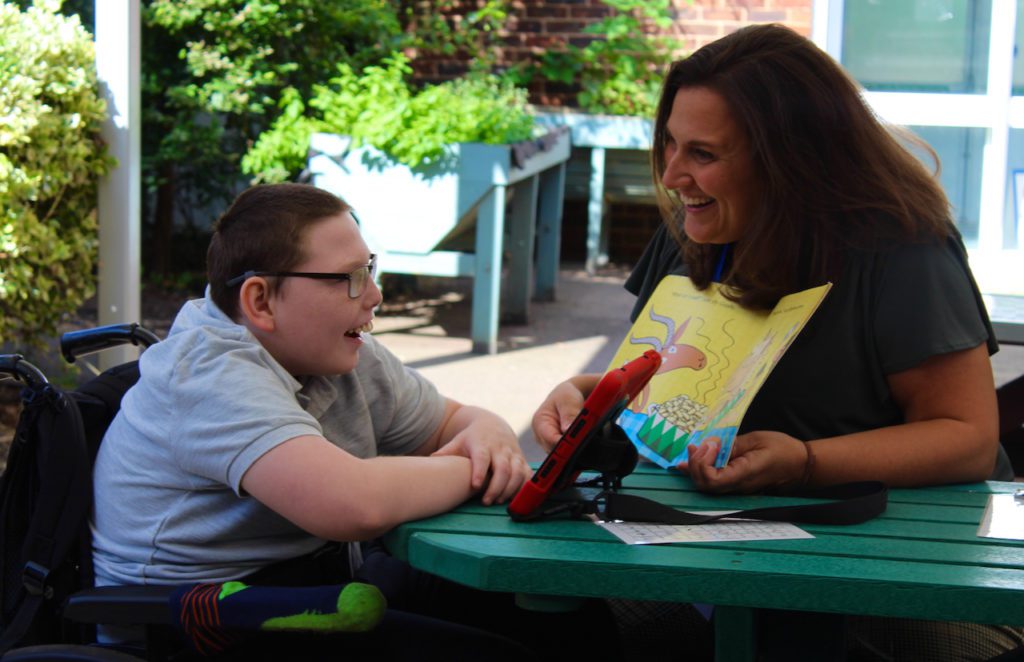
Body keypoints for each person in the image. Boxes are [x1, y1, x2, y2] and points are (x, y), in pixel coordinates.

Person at [532, 23, 1021, 662]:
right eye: (670, 145)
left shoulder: (902, 249)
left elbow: (967, 438)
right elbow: (671, 385)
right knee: (553, 616)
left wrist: (805, 461)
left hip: (905, 562)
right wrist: (586, 397)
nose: (674, 175)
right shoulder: (694, 228)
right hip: (721, 548)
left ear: (794, 159)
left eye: (703, 154)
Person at [90, 183, 610, 660]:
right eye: (351, 279)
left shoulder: (336, 349)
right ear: (261, 301)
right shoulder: (208, 373)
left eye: (371, 269)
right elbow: (353, 504)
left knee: (561, 615)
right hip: (205, 625)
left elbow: (452, 421)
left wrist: (490, 431)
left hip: (319, 588)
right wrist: (481, 465)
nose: (375, 295)